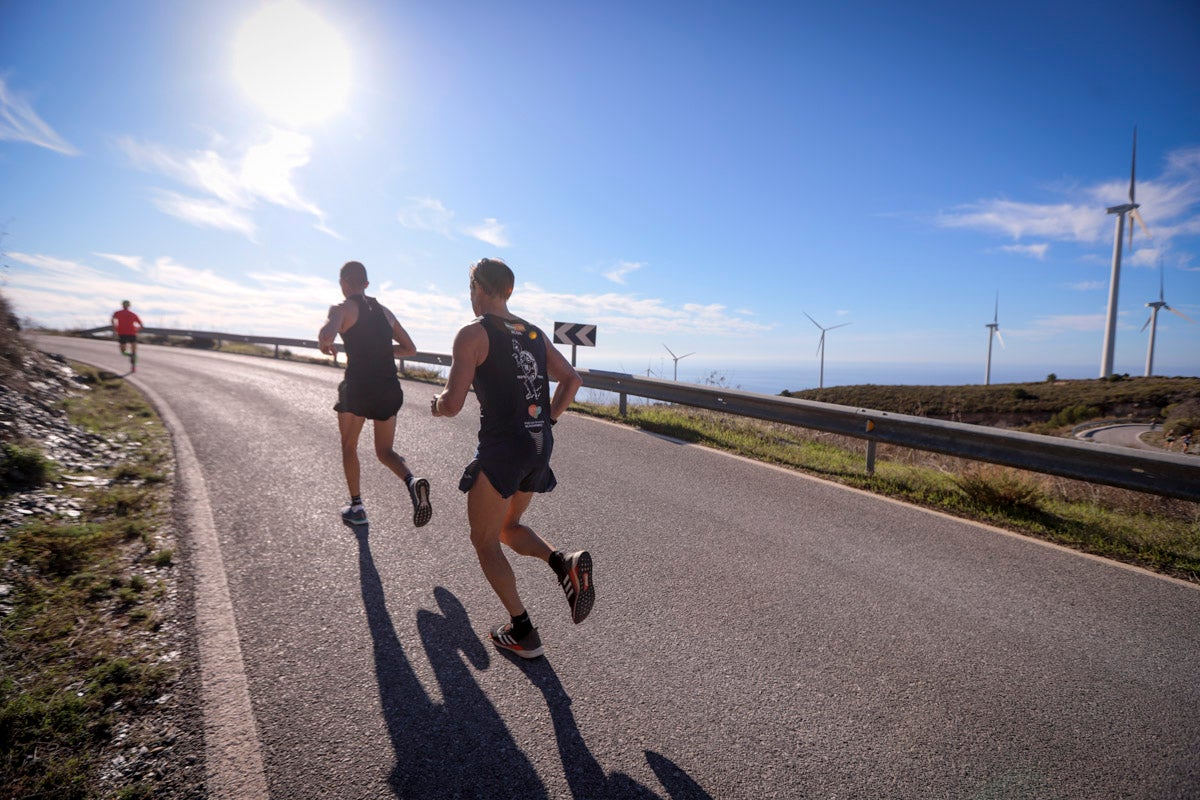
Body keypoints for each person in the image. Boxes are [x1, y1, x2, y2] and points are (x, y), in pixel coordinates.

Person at [430, 257, 591, 659]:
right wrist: (549, 419)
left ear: (478, 289)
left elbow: (451, 404)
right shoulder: (532, 332)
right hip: (539, 444)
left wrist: (435, 404)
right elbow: (572, 379)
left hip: (502, 448)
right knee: (508, 527)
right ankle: (562, 563)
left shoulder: (472, 334)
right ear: (510, 291)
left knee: (483, 540)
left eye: (471, 290)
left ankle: (523, 630)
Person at [318, 261, 432, 528]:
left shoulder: (341, 308)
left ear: (343, 282)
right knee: (385, 451)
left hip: (358, 387)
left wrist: (325, 341)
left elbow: (326, 333)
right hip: (388, 387)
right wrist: (382, 350)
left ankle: (357, 507)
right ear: (366, 284)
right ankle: (412, 482)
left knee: (349, 445)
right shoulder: (385, 312)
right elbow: (410, 348)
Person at [111, 300, 143, 372]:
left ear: (122, 305)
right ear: (129, 306)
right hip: (132, 334)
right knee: (134, 351)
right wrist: (136, 329)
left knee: (123, 352)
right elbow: (141, 325)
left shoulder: (117, 313)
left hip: (122, 334)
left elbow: (112, 321)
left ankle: (130, 356)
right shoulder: (133, 314)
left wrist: (115, 328)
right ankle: (133, 367)